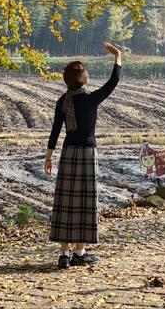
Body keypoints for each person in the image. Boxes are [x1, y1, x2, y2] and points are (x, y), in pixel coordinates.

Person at [44, 41, 122, 269]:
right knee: (84, 204)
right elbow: (113, 82)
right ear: (82, 78)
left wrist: (48, 157)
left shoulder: (62, 101)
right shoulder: (90, 99)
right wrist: (118, 56)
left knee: (66, 203)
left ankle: (65, 254)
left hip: (67, 154)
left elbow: (55, 131)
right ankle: (80, 251)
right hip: (88, 154)